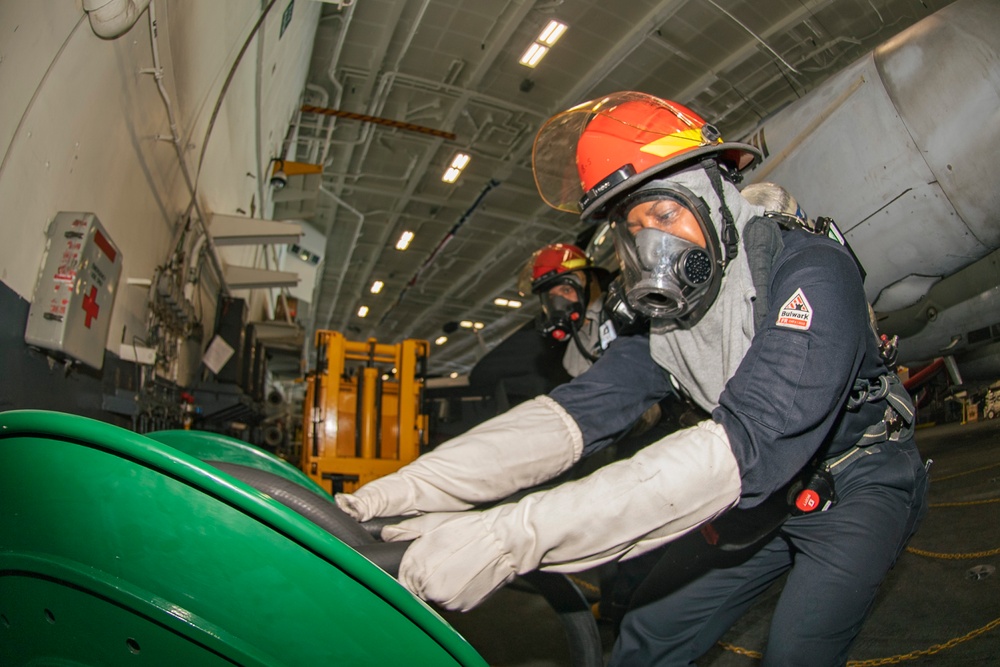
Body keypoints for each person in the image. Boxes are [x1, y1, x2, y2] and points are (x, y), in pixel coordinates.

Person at [336, 91, 928, 665]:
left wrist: (510, 537)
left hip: (856, 483)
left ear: (717, 194)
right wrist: (409, 489)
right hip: (760, 498)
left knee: (797, 652)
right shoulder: (672, 321)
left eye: (667, 212)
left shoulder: (810, 269)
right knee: (651, 629)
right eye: (636, 227)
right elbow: (571, 416)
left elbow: (751, 443)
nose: (654, 246)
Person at [519, 242, 613, 378]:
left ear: (587, 282)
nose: (559, 304)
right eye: (552, 298)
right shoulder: (572, 356)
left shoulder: (619, 313)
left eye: (566, 290)